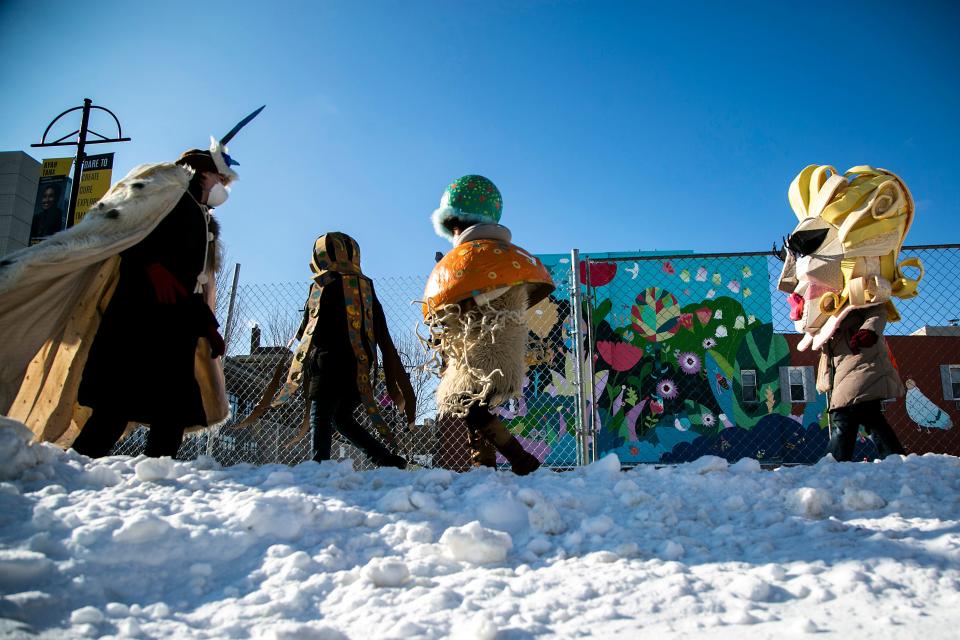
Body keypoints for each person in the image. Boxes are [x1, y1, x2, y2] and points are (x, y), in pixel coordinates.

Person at [0, 107, 264, 456]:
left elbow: (193, 286)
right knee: (113, 410)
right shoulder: (166, 197)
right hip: (137, 319)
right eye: (220, 179)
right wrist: (152, 266)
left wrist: (209, 326)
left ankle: (159, 477)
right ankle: (76, 472)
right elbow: (125, 232)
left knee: (169, 412)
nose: (222, 187)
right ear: (203, 172)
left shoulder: (202, 222)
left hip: (174, 327)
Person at [776, 164, 921, 461]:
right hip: (842, 366)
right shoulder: (829, 300)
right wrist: (791, 258)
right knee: (866, 417)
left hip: (860, 363)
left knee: (846, 417)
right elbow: (797, 290)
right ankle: (894, 459)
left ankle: (835, 463)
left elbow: (876, 311)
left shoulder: (860, 292)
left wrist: (868, 332)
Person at [423, 175, 554, 475]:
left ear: (455, 222)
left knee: (465, 402)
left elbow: (485, 297)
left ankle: (518, 458)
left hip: (484, 347)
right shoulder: (508, 258)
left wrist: (454, 311)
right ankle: (486, 463)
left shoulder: (475, 259)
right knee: (474, 406)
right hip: (494, 345)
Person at [273, 232, 414, 468]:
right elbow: (380, 328)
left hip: (326, 362)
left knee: (322, 413)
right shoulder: (366, 287)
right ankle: (385, 458)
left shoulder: (321, 285)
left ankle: (319, 464)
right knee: (342, 418)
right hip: (358, 365)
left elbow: (311, 327)